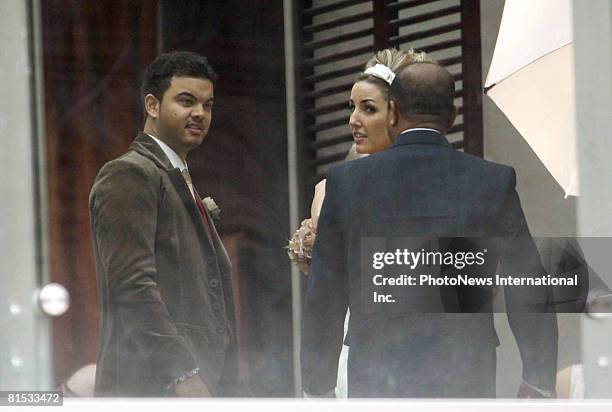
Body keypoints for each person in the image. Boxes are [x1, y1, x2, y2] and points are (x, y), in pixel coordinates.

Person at [301, 61, 558, 398]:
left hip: (378, 371)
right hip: (466, 370)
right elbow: (528, 285)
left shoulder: (347, 183)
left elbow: (326, 294)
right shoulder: (492, 182)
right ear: (451, 116)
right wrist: (538, 379)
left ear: (393, 112)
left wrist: (318, 386)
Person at [89, 51, 240, 397]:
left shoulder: (176, 176)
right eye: (186, 101)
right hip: (152, 387)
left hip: (199, 382)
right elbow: (131, 287)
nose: (199, 114)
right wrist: (182, 374)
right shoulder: (129, 173)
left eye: (208, 105)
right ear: (152, 105)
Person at [288, 48, 430, 397]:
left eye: (368, 109)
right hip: (356, 340)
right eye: (351, 107)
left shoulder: (431, 186)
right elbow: (325, 293)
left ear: (397, 115)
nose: (354, 120)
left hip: (423, 346)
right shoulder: (334, 187)